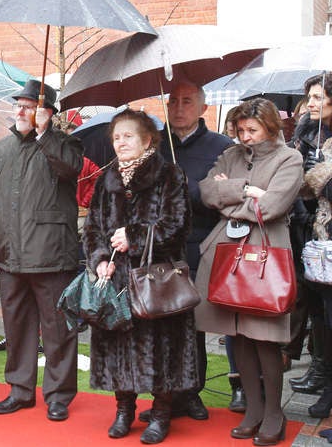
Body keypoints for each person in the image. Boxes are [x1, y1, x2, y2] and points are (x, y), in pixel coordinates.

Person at [82, 109, 197, 444]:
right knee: (118, 346)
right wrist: (100, 258)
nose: (121, 143)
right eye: (116, 137)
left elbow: (177, 227)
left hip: (154, 281)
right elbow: (92, 229)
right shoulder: (107, 179)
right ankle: (123, 410)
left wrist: (135, 235)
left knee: (161, 348)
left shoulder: (169, 175)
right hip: (117, 280)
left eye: (128, 136)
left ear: (148, 139)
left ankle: (161, 414)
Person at [0, 79, 83, 422]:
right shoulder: (2, 148)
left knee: (57, 329)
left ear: (47, 112)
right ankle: (20, 391)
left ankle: (58, 395)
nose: (20, 110)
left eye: (28, 105)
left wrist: (44, 135)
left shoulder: (65, 144)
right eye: (17, 105)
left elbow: (70, 169)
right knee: (17, 328)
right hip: (9, 253)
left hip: (51, 253)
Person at [196, 98, 302, 445]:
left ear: (270, 127)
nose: (246, 137)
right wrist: (245, 190)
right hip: (228, 253)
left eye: (252, 130)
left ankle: (274, 413)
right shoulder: (231, 155)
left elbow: (271, 207)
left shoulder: (290, 158)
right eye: (240, 130)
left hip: (265, 255)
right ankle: (254, 410)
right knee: (236, 333)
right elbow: (207, 191)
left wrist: (235, 200)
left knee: (265, 338)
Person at [145, 81, 233, 421]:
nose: (179, 108)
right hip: (159, 249)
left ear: (203, 109)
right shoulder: (153, 145)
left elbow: (221, 196)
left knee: (192, 325)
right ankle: (162, 396)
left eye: (187, 101)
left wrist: (189, 190)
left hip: (199, 247)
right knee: (158, 326)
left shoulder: (222, 147)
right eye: (174, 102)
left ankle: (191, 392)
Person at [290, 73, 332, 416]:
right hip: (312, 237)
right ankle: (322, 373)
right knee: (318, 312)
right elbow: (299, 187)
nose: (312, 104)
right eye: (312, 97)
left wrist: (323, 176)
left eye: (319, 97)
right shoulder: (308, 132)